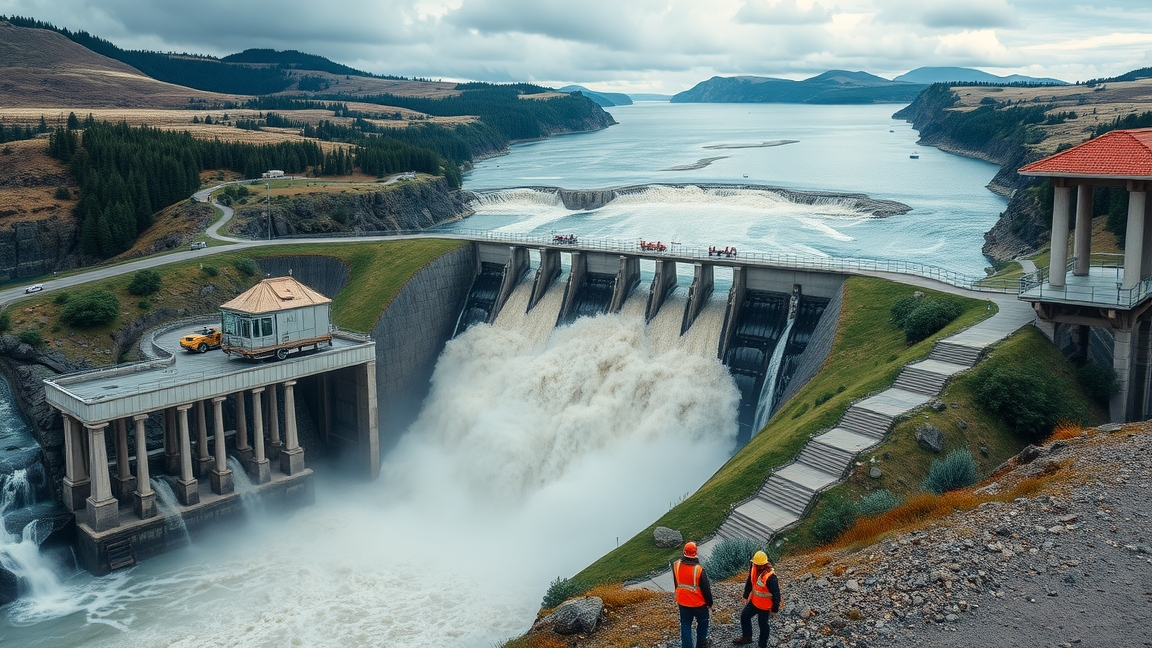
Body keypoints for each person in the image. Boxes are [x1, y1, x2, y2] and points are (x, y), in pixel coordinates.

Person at [733, 551, 780, 647]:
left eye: (758, 564)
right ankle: (747, 638)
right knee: (744, 616)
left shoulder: (771, 578)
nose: (756, 565)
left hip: (764, 606)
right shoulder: (753, 567)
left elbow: (776, 594)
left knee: (763, 626)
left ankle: (762, 645)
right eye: (755, 564)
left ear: (764, 564)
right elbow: (750, 581)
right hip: (754, 602)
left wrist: (775, 609)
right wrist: (746, 595)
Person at [672, 541, 712, 648]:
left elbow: (677, 583)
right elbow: (706, 589)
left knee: (685, 624)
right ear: (695, 552)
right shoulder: (699, 570)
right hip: (698, 604)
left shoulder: (677, 565)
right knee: (703, 622)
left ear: (684, 552)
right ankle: (701, 643)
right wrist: (710, 603)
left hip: (683, 602)